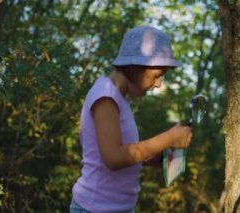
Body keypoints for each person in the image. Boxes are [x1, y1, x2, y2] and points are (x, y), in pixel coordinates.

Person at [70, 25, 193, 213]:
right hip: (95, 208)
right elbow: (114, 158)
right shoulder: (105, 96)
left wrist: (160, 158)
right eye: (157, 75)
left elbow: (128, 153)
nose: (159, 84)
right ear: (135, 67)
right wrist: (168, 138)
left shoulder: (118, 99)